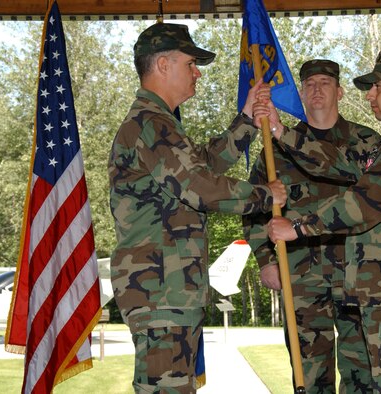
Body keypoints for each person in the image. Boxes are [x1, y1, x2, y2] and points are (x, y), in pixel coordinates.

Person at [261, 46, 381, 393]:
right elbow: (340, 163)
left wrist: (297, 227)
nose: (370, 96)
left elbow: (363, 203)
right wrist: (280, 131)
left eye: (378, 87)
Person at [108, 22, 286, 394]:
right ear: (162, 65)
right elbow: (201, 187)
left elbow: (199, 166)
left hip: (168, 289)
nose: (197, 72)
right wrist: (267, 196)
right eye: (190, 63)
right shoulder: (150, 125)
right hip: (161, 290)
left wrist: (247, 122)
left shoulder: (159, 125)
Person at [243, 60, 381, 393]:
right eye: (310, 84)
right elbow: (253, 207)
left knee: (363, 374)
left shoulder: (365, 141)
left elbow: (380, 200)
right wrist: (265, 259)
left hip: (357, 274)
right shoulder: (275, 150)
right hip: (302, 278)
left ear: (340, 92)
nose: (316, 89)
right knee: (309, 375)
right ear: (302, 94)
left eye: (325, 83)